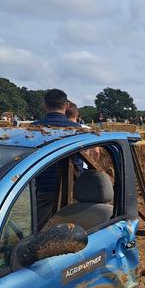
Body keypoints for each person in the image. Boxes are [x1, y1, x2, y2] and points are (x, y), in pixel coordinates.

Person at [32, 89, 82, 229]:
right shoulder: (77, 129)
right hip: (72, 186)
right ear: (66, 106)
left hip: (45, 184)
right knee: (72, 228)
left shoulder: (34, 128)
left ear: (44, 105)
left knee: (41, 228)